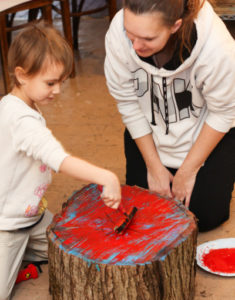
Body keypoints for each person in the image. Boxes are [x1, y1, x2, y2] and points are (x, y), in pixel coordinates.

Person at [0, 22, 121, 300]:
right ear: (21, 75)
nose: (57, 91)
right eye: (50, 83)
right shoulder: (19, 119)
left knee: (73, 247)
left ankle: (21, 254)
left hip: (34, 218)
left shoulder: (24, 105)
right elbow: (59, 159)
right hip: (7, 224)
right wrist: (106, 177)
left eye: (61, 82)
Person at [104, 0, 235, 232]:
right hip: (150, 130)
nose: (135, 46)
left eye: (148, 39)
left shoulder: (218, 48)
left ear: (175, 26)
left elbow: (224, 112)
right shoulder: (119, 30)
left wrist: (188, 171)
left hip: (204, 134)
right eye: (130, 34)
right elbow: (127, 101)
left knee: (202, 218)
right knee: (144, 214)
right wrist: (153, 166)